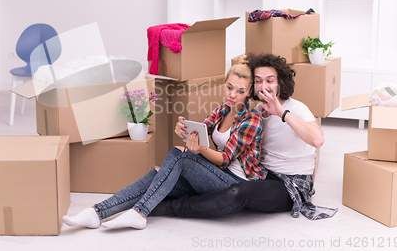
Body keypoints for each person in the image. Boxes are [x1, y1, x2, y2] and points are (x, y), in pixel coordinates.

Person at [62, 55, 265, 230]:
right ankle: (96, 212)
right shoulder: (222, 109)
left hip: (237, 183)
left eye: (239, 91)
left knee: (180, 156)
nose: (232, 94)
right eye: (229, 87)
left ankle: (140, 213)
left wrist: (200, 149)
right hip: (217, 174)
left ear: (248, 93)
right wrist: (185, 129)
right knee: (159, 173)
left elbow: (224, 159)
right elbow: (201, 130)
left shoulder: (251, 120)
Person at [150, 53, 338, 220]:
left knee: (239, 193)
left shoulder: (296, 108)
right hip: (263, 176)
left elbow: (317, 140)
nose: (264, 86)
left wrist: (282, 112)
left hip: (290, 184)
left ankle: (170, 208)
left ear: (280, 82)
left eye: (270, 80)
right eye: (258, 81)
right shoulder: (256, 112)